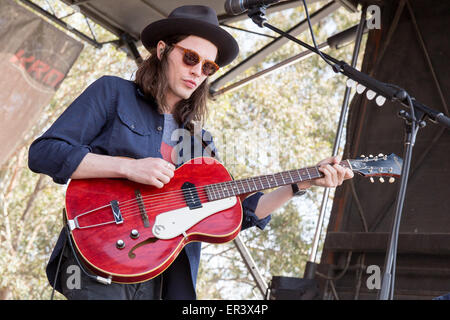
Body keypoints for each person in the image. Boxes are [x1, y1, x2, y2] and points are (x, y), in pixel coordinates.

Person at [28, 5, 353, 300]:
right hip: (102, 255)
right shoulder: (113, 93)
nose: (198, 71)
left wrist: (301, 183)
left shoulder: (201, 144)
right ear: (162, 50)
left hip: (163, 279)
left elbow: (237, 212)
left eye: (208, 66)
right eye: (190, 58)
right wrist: (128, 168)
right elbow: (45, 153)